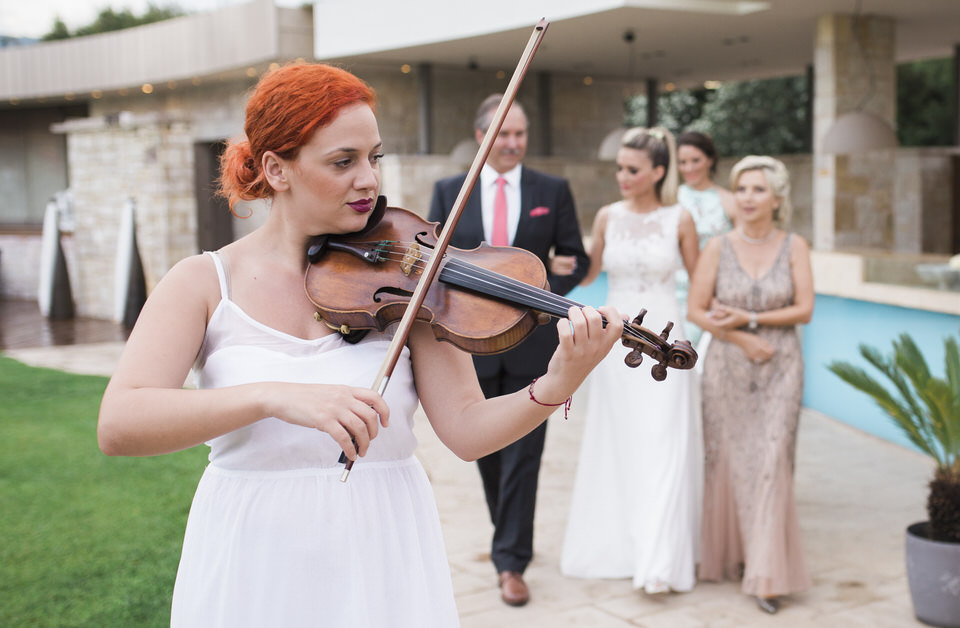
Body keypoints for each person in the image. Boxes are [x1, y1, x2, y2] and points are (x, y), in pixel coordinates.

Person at [96, 63, 622, 628]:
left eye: (374, 157)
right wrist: (273, 396)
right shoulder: (202, 282)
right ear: (277, 169)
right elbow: (121, 422)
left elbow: (468, 431)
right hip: (253, 550)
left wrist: (557, 383)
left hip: (382, 546)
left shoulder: (410, 278)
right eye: (343, 162)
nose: (368, 180)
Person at [427, 94, 590, 607]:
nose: (513, 143)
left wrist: (550, 293)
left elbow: (575, 257)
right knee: (488, 452)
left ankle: (511, 561)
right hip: (469, 344)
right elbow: (430, 262)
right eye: (503, 134)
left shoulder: (552, 190)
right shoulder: (449, 191)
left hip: (533, 343)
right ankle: (509, 537)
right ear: (481, 137)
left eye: (519, 134)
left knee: (525, 454)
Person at [560, 126, 701, 594]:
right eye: (619, 167)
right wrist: (550, 263)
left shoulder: (680, 218)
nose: (622, 176)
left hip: (666, 344)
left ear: (659, 172)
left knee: (663, 443)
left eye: (633, 169)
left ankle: (658, 561)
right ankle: (618, 547)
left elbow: (700, 280)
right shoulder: (607, 216)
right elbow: (592, 271)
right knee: (619, 441)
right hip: (619, 342)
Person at [686, 155, 814, 614]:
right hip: (727, 367)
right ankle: (739, 556)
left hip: (782, 366)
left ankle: (767, 574)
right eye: (741, 189)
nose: (747, 198)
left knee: (773, 460)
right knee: (731, 461)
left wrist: (753, 317)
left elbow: (805, 309)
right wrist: (739, 335)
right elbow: (696, 310)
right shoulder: (717, 247)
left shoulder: (794, 245)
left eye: (758, 189)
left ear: (777, 199)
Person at [675, 130, 737, 346]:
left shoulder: (729, 201)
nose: (689, 168)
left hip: (715, 296)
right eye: (682, 162)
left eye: (695, 160)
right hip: (674, 292)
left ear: (710, 160)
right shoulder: (670, 200)